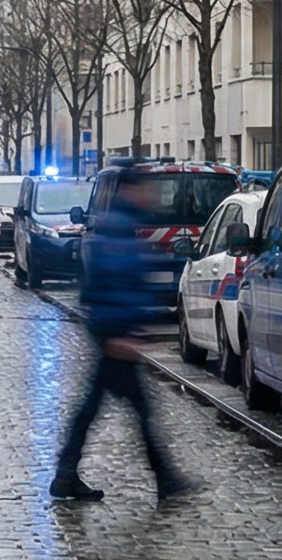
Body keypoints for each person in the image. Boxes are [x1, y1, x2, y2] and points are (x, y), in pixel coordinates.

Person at [51, 166, 193, 502]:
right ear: (130, 190)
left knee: (96, 408)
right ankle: (164, 478)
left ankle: (67, 474)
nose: (151, 196)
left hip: (115, 335)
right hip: (115, 337)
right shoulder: (118, 229)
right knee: (136, 410)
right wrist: (119, 332)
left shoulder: (118, 225)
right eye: (145, 189)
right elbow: (110, 284)